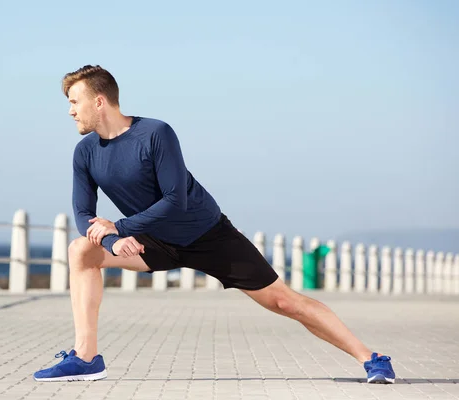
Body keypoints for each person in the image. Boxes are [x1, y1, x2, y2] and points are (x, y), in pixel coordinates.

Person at [32, 65, 396, 384]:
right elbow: (85, 216)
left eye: (74, 102)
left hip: (208, 235)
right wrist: (111, 242)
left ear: (99, 101)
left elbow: (176, 202)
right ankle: (86, 358)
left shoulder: (156, 133)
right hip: (153, 241)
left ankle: (371, 359)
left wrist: (121, 229)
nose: (70, 111)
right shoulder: (85, 152)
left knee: (285, 303)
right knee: (82, 250)